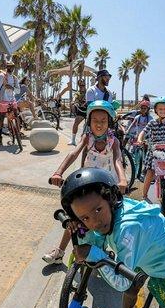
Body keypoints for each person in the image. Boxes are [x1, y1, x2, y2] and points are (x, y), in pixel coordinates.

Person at [61, 167, 165, 308]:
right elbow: (97, 240)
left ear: (110, 199)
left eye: (98, 209)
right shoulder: (109, 217)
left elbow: (119, 281)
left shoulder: (127, 230)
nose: (95, 222)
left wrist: (92, 253)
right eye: (85, 218)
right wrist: (83, 232)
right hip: (144, 251)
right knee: (132, 288)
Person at [42, 100, 127, 264]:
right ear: (89, 122)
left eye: (103, 121)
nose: (99, 124)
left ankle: (118, 253)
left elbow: (117, 159)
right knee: (75, 219)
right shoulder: (87, 138)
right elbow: (73, 154)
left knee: (113, 219)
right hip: (87, 184)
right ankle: (60, 252)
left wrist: (122, 180)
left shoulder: (113, 141)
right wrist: (58, 172)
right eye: (95, 121)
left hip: (106, 186)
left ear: (110, 122)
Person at [0, 61, 19, 146]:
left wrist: (12, 87)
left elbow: (18, 90)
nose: (11, 68)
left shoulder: (15, 78)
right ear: (6, 67)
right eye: (9, 67)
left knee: (16, 114)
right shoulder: (2, 76)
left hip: (12, 99)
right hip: (3, 99)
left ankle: (16, 131)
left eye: (12, 67)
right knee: (2, 116)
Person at [68, 79, 87, 146]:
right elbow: (74, 97)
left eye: (83, 84)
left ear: (85, 84)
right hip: (82, 109)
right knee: (76, 123)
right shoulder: (77, 93)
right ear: (78, 85)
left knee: (89, 125)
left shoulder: (89, 91)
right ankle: (73, 140)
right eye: (80, 85)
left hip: (89, 109)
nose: (82, 86)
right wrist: (73, 102)